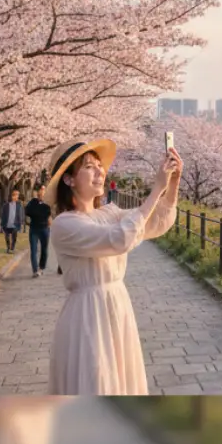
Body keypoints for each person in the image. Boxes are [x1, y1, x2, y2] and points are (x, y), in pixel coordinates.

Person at [44, 138, 180, 395]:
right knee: (96, 380)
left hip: (117, 305)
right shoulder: (65, 225)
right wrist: (155, 189)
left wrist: (171, 185)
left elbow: (154, 223)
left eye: (99, 165)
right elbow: (120, 239)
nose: (99, 172)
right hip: (88, 313)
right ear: (68, 179)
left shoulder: (109, 213)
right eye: (88, 167)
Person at [25, 185, 52, 278]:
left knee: (44, 250)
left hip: (44, 228)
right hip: (34, 229)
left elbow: (49, 213)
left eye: (44, 192)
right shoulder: (33, 202)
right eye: (40, 192)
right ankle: (35, 270)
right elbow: (27, 211)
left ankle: (41, 267)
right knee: (33, 250)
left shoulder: (48, 204)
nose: (42, 193)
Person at [0, 188, 24, 254]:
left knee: (14, 237)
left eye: (17, 195)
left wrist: (21, 224)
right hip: (6, 224)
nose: (15, 197)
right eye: (14, 195)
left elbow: (21, 214)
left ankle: (12, 248)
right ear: (11, 196)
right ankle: (8, 248)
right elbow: (3, 215)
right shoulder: (6, 205)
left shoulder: (19, 205)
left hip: (15, 224)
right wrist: (1, 225)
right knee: (7, 237)